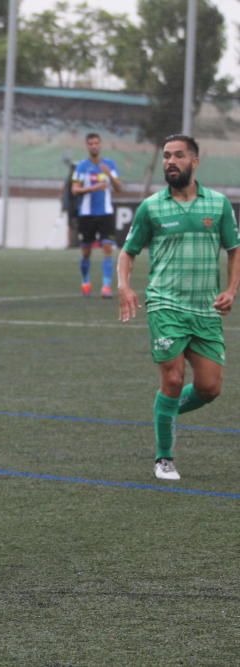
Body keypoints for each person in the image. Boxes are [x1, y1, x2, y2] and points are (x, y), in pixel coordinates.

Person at [117, 134, 240, 481]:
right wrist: (124, 286)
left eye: (178, 156)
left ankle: (164, 412)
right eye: (166, 156)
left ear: (195, 162)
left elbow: (234, 249)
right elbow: (128, 252)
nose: (170, 161)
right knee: (172, 378)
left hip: (206, 309)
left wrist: (231, 290)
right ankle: (164, 457)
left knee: (210, 388)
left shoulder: (217, 205)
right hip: (165, 304)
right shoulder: (151, 207)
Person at [72, 132, 123, 298]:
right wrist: (92, 189)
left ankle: (106, 287)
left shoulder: (109, 165)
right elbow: (75, 189)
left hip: (105, 213)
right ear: (87, 146)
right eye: (91, 143)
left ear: (100, 145)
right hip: (87, 215)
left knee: (107, 248)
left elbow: (119, 189)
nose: (94, 146)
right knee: (86, 251)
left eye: (96, 143)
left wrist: (109, 175)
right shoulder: (82, 167)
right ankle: (85, 280)